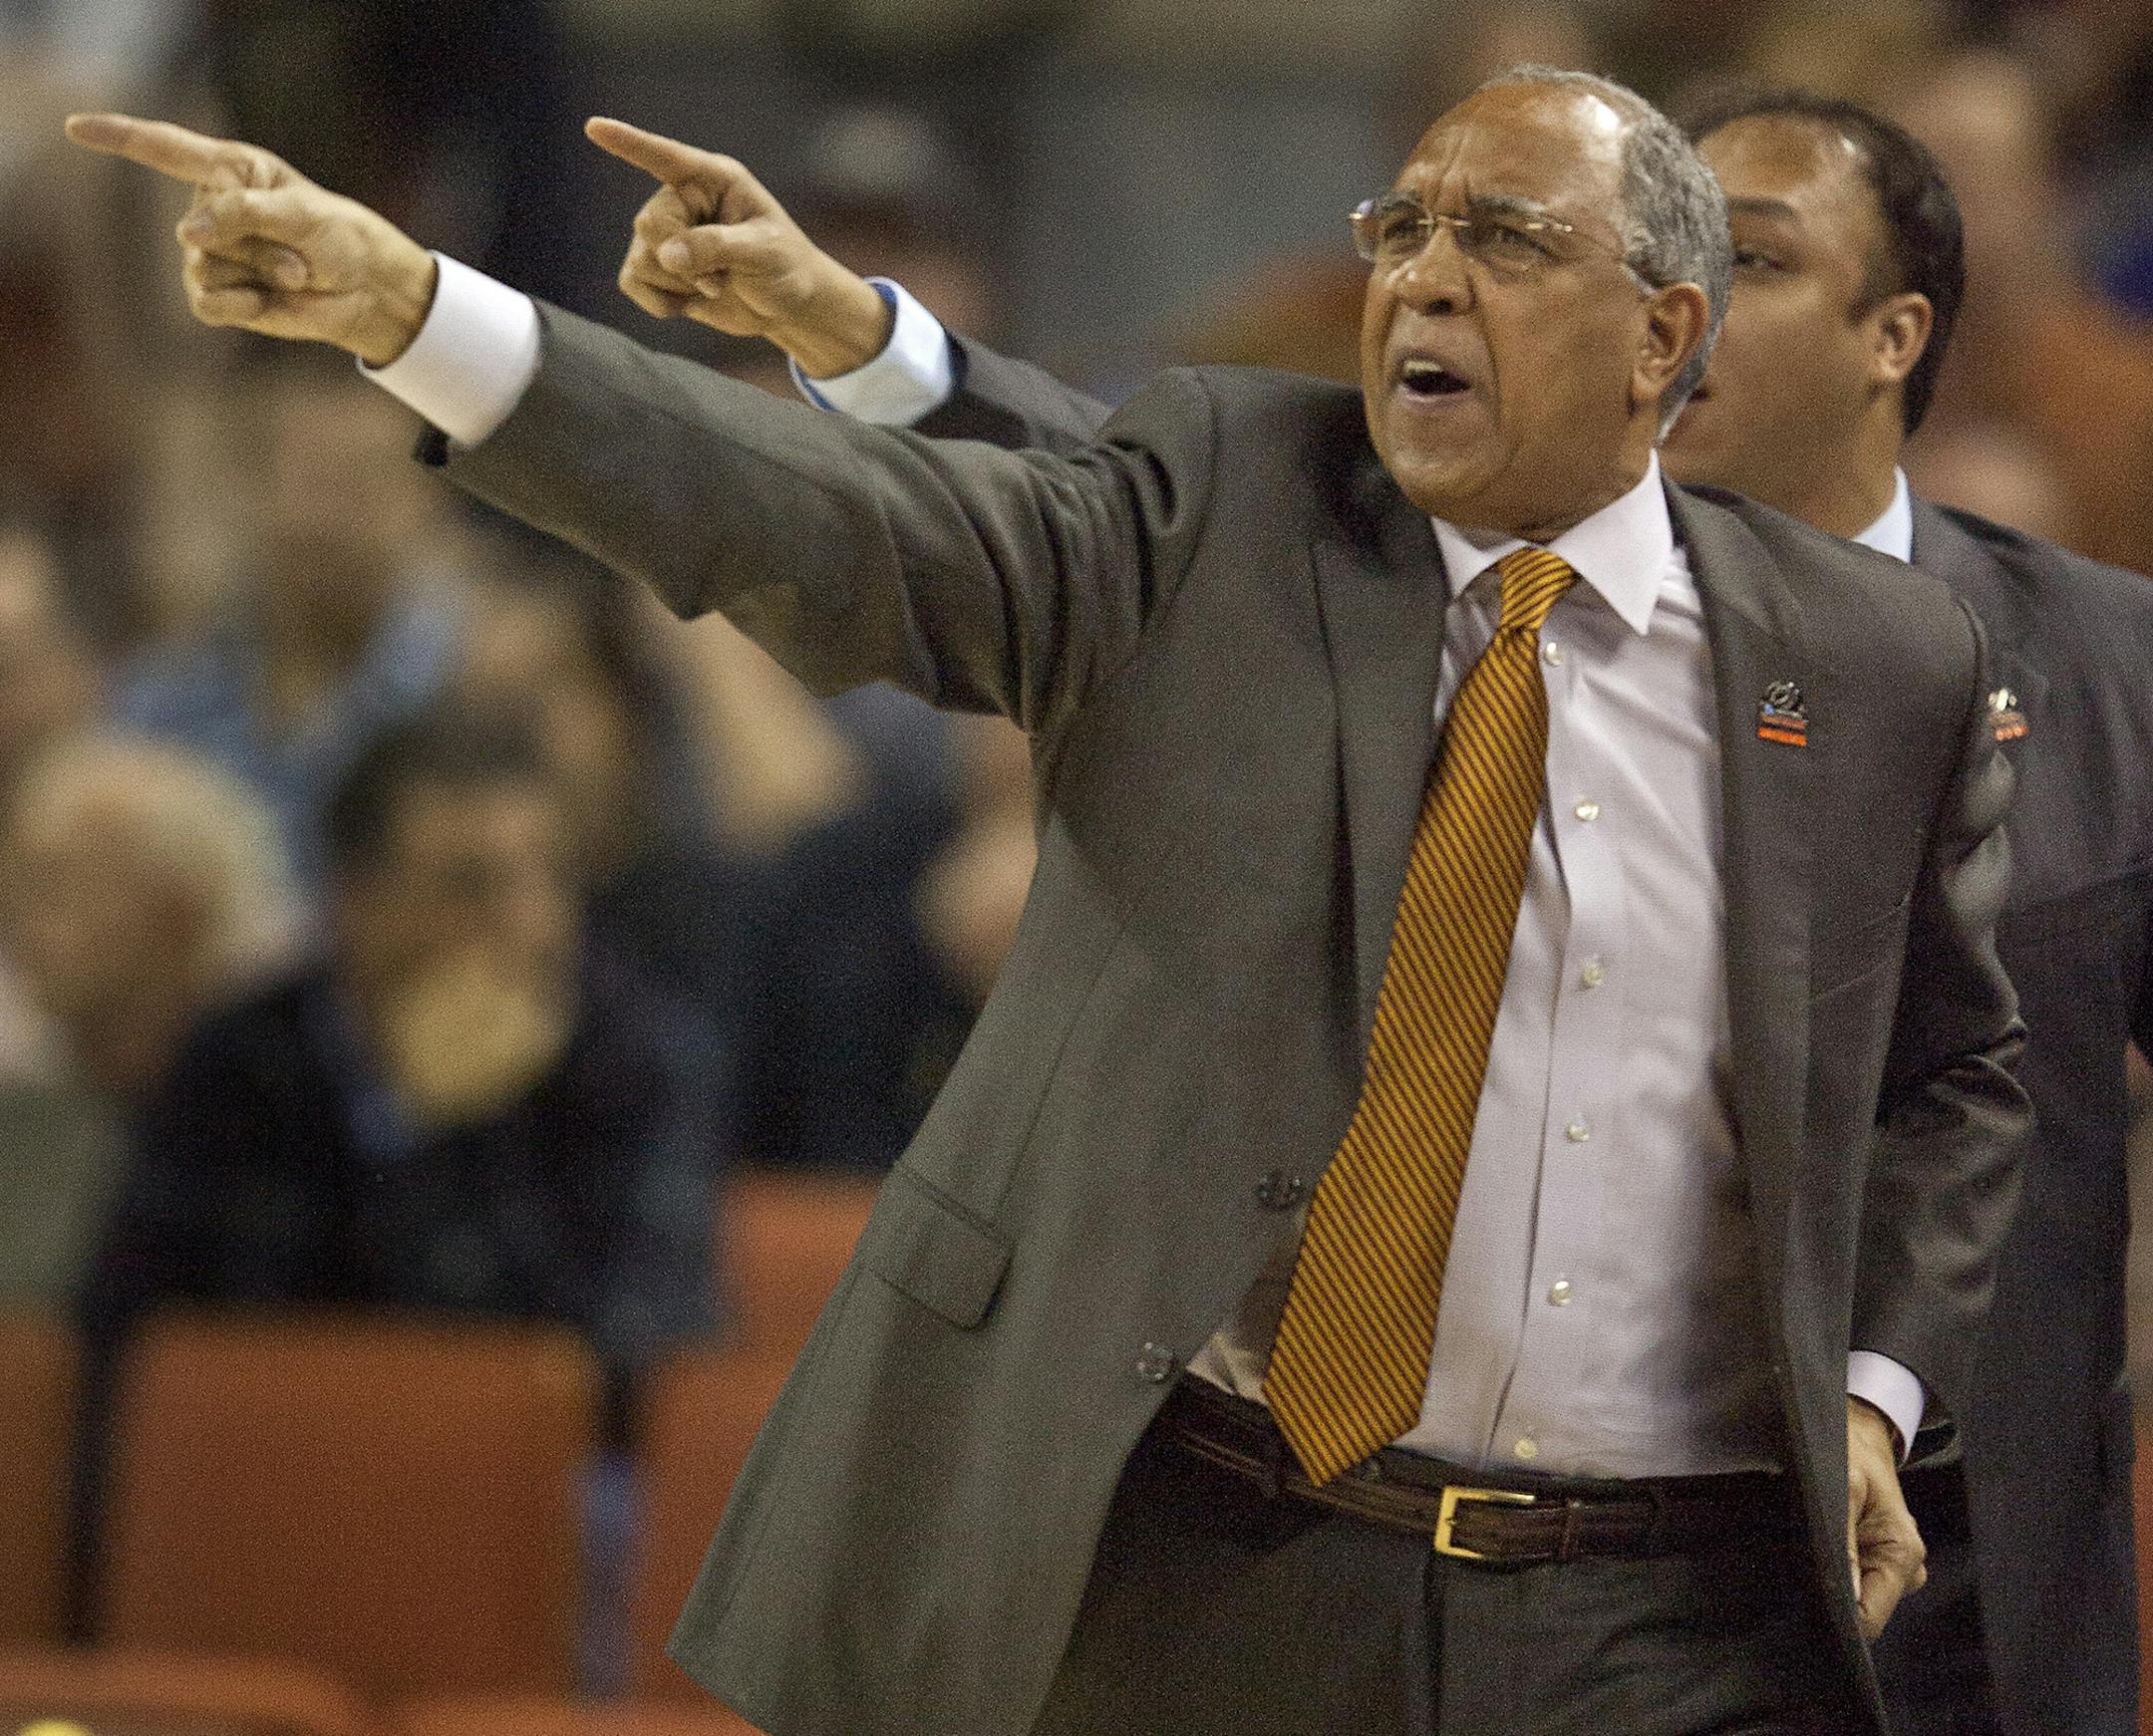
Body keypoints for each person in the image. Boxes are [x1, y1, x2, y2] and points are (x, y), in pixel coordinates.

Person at [67, 67, 2029, 1736]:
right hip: (1233, 1571)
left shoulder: (1875, 666)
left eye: (1505, 240)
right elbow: (828, 518)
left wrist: (1870, 1387)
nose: (1423, 274)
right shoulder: (1229, 510)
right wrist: (418, 310)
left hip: (1670, 1613)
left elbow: (1953, 1072)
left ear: (1665, 338)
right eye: (1399, 229)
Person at [1663, 91, 2153, 1736]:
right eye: (1654, 255)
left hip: (1987, 1607)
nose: (1679, 303)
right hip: (1571, 1572)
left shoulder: (2111, 665)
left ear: (1895, 335)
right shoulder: (1497, 648)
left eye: (1747, 259)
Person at [76, 705, 729, 1431]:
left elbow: (636, 1380)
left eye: (552, 876)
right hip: (275, 1483)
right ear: (352, 900)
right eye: (471, 885)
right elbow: (138, 1348)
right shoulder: (241, 1062)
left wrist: (456, 1136)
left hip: (531, 1513)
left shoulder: (637, 1061)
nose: (535, 924)